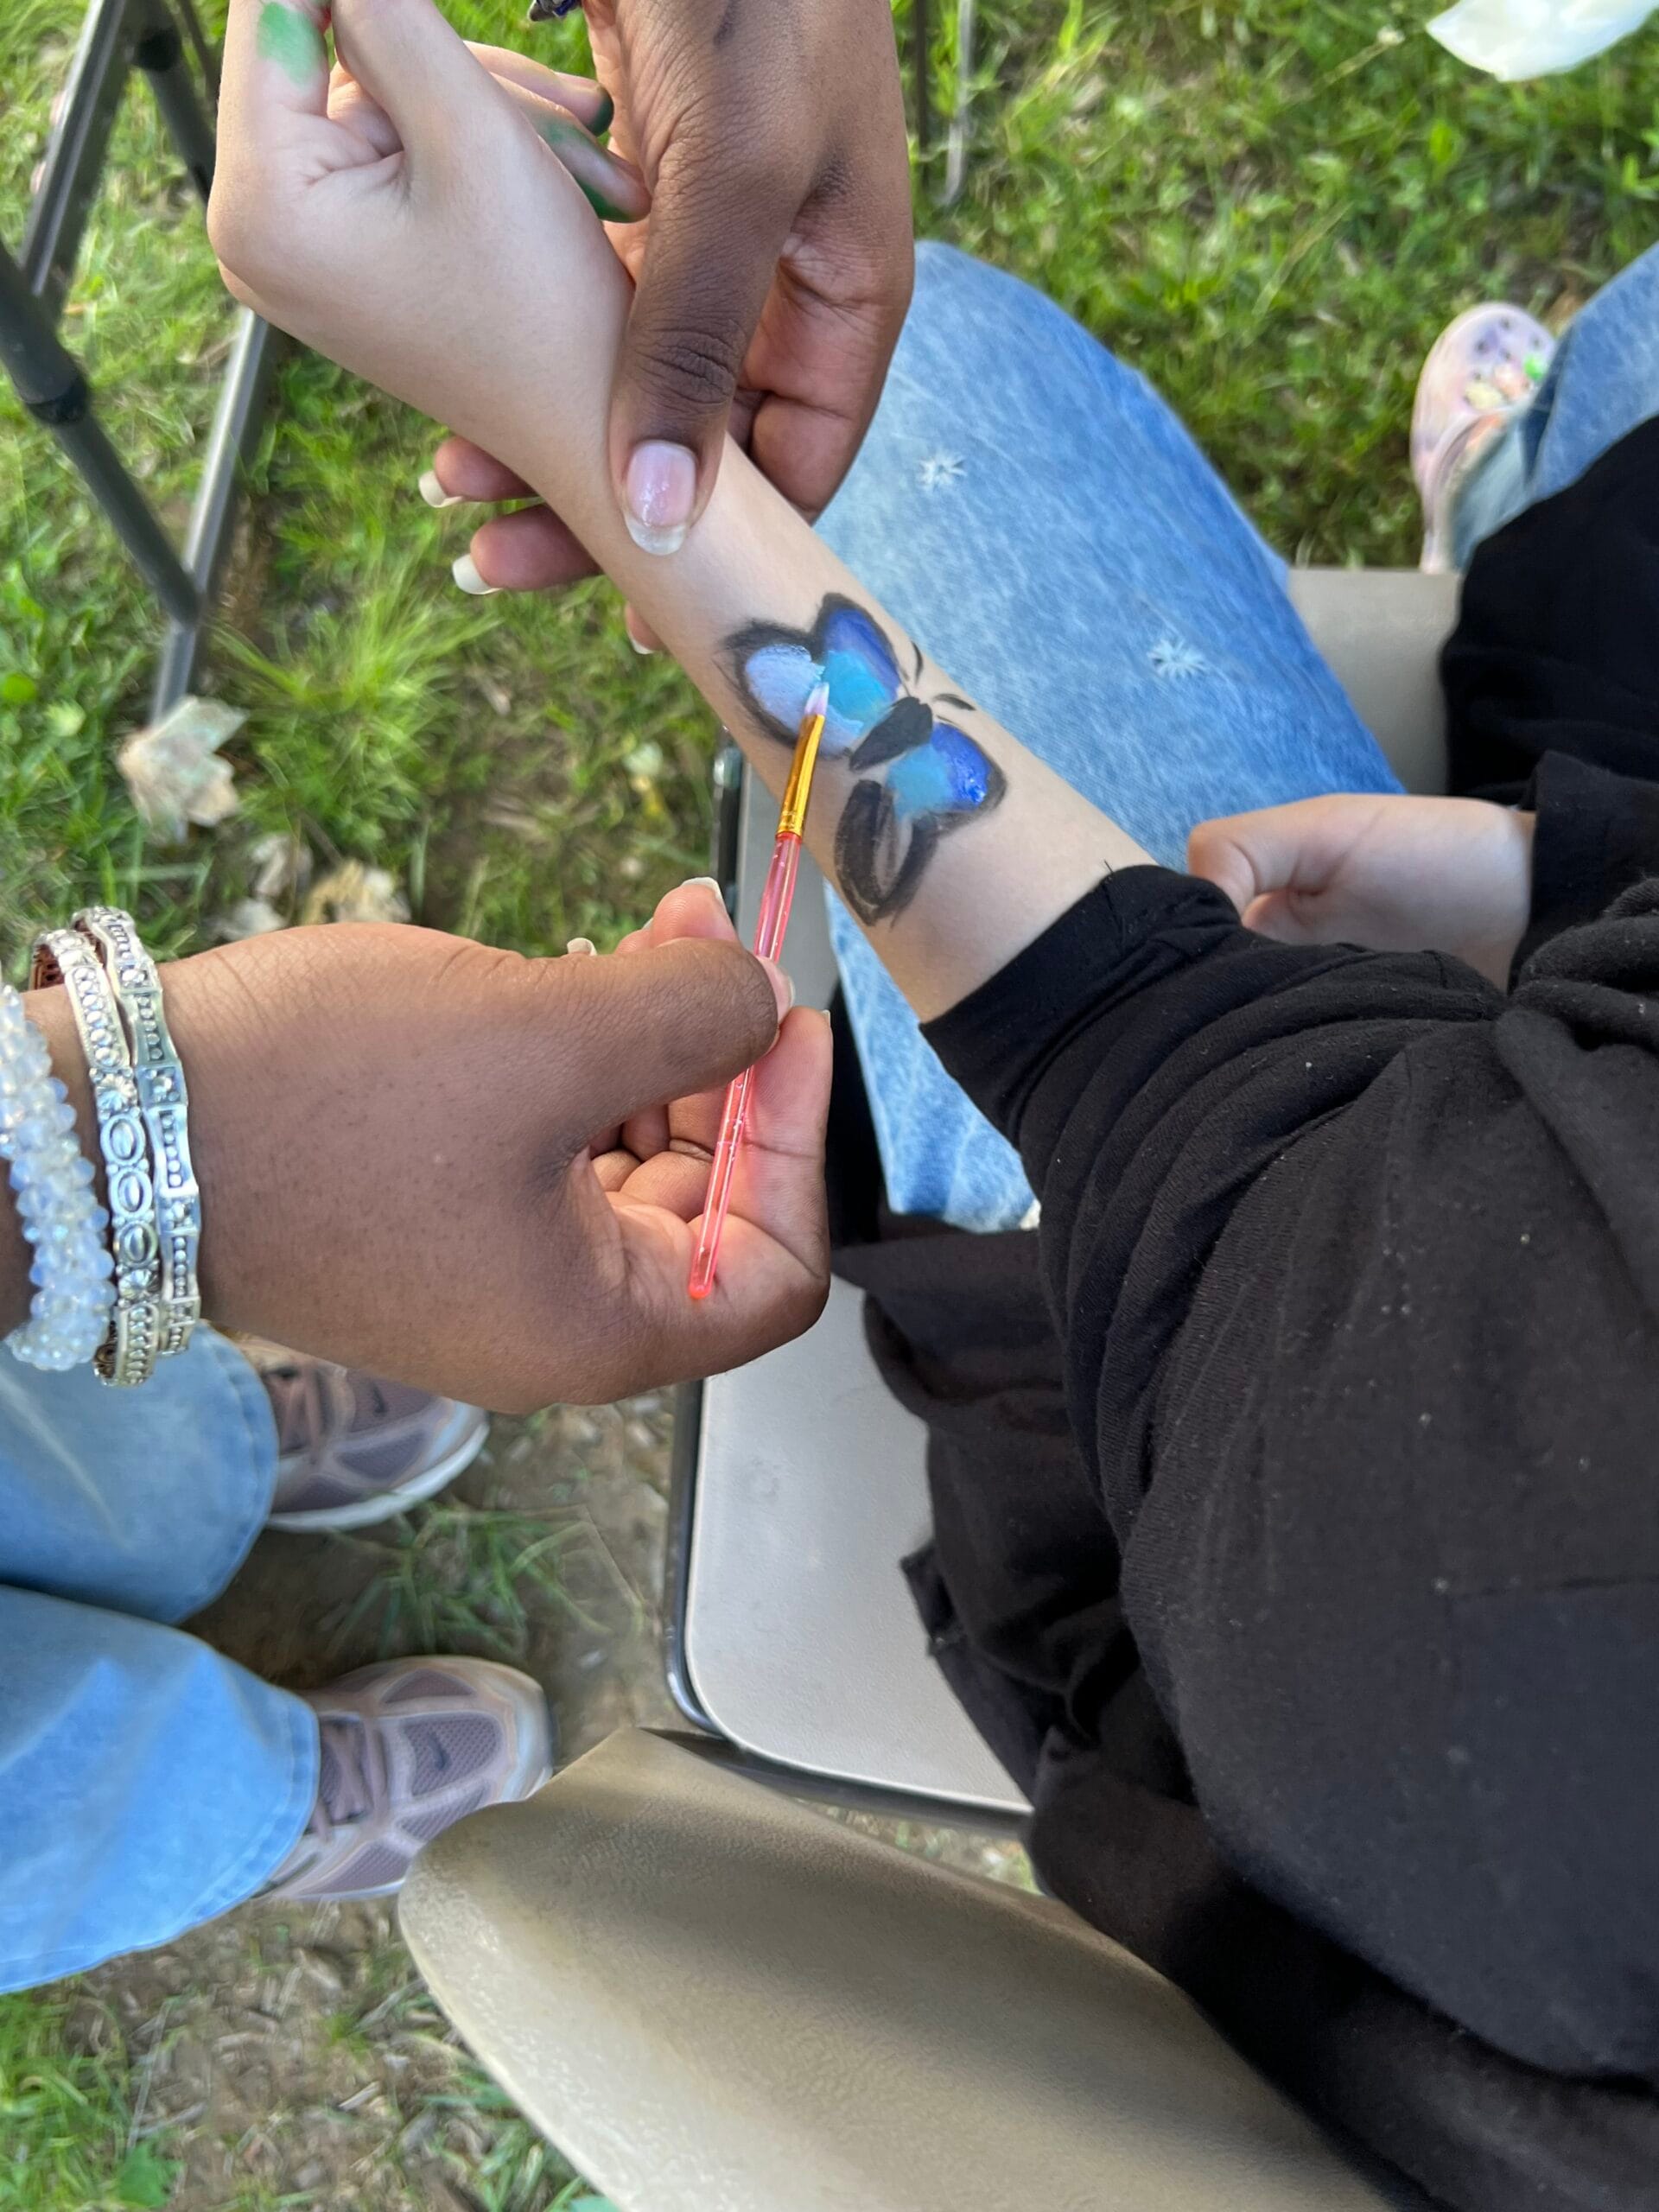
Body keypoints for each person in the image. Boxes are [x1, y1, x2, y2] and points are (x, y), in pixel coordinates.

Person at [200, 6, 1659, 2205]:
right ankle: (1541, 492)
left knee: (922, 389)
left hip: (1252, 1462)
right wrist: (1577, 872)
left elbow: (1210, 1140)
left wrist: (610, 436)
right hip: (1470, 1210)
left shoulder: (1556, 1677)